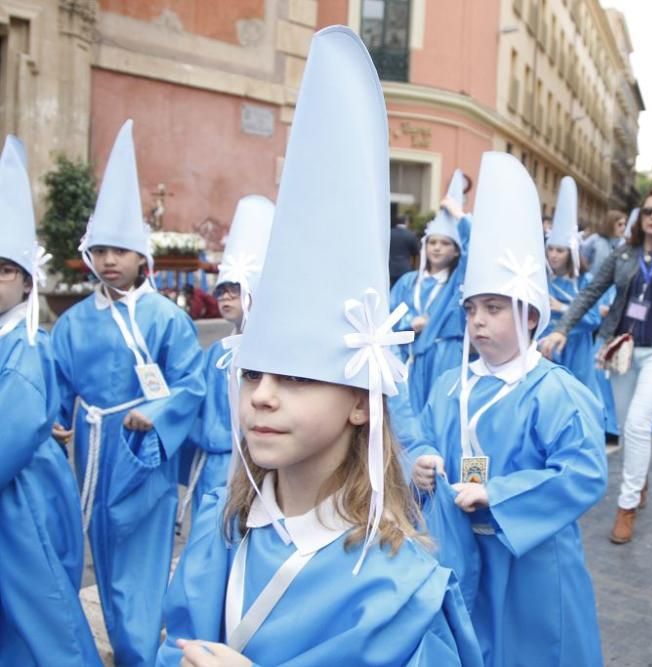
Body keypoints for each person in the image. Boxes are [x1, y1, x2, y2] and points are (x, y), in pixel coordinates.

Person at [157, 27, 481, 666]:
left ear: (361, 401)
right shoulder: (223, 531)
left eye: (299, 378)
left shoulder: (401, 588)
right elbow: (173, 645)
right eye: (254, 376)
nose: (263, 399)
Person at [408, 151, 608, 667]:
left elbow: (584, 472)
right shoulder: (452, 383)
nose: (477, 322)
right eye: (472, 308)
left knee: (531, 650)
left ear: (530, 314)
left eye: (494, 308)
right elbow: (422, 436)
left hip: (531, 556)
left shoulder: (554, 391)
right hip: (460, 547)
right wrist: (423, 461)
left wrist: (497, 494)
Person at [50, 120, 206, 666]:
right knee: (99, 551)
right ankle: (118, 645)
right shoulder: (71, 324)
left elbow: (190, 384)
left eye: (120, 250)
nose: (109, 261)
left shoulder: (167, 318)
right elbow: (56, 381)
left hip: (144, 457)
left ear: (143, 257)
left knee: (139, 563)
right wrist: (53, 419)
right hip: (91, 450)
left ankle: (140, 653)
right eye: (100, 251)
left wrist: (156, 413)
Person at [540, 186, 652, 544]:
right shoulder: (622, 255)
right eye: (648, 211)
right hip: (621, 350)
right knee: (624, 421)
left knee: (636, 424)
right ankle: (640, 476)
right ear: (639, 216)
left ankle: (627, 504)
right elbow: (589, 293)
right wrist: (561, 330)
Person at [0, 135, 102, 665]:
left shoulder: (27, 346)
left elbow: (10, 431)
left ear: (25, 280)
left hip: (20, 500)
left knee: (37, 616)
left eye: (3, 270)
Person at [177, 194, 275, 530]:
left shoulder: (272, 355)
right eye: (221, 291)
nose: (225, 298)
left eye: (235, 289)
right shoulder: (217, 352)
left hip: (259, 467)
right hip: (214, 469)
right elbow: (194, 406)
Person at [389, 169, 471, 413]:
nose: (437, 248)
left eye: (445, 244)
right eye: (432, 242)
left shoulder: (457, 283)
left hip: (445, 358)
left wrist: (459, 215)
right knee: (407, 416)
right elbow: (389, 318)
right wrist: (408, 323)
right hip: (409, 357)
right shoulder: (408, 281)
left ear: (456, 250)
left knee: (443, 413)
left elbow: (476, 247)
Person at [542, 176, 602, 397]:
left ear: (571, 252)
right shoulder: (542, 279)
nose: (554, 255)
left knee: (576, 398)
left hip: (576, 349)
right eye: (551, 249)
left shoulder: (584, 281)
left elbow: (595, 320)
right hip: (546, 346)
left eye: (560, 250)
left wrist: (563, 308)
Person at [389, 215, 420, 287]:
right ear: (406, 222)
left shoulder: (389, 233)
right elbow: (416, 253)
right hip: (405, 268)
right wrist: (415, 268)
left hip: (390, 268)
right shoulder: (411, 235)